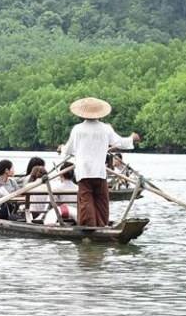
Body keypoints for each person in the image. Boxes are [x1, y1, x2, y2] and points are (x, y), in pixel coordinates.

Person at [60, 97, 140, 227]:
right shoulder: (105, 128)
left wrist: (62, 148)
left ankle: (89, 226)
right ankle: (101, 225)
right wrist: (132, 138)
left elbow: (69, 149)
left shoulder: (78, 129)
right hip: (99, 172)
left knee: (86, 200)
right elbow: (120, 142)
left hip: (84, 172)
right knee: (101, 200)